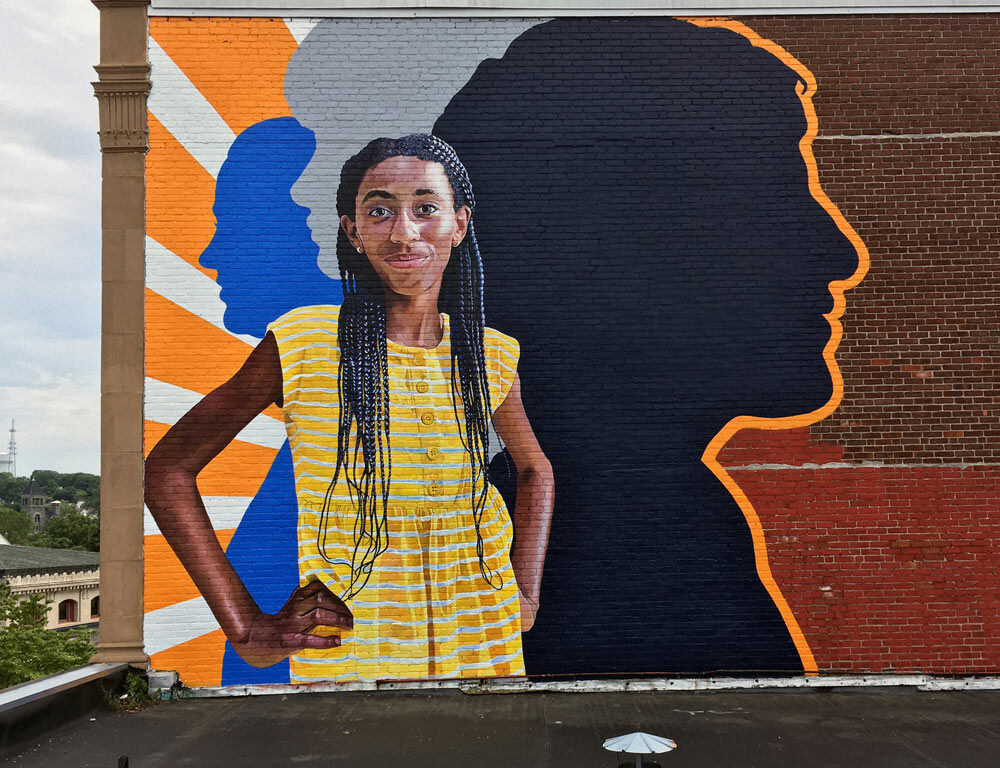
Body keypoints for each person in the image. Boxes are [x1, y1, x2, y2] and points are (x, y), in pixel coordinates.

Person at [145, 133, 553, 683]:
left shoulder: (490, 353)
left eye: (425, 209)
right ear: (352, 231)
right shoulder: (304, 342)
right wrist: (249, 630)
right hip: (361, 635)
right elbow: (168, 470)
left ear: (459, 224)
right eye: (379, 210)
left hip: (483, 627)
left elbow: (535, 469)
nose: (404, 231)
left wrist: (523, 593)